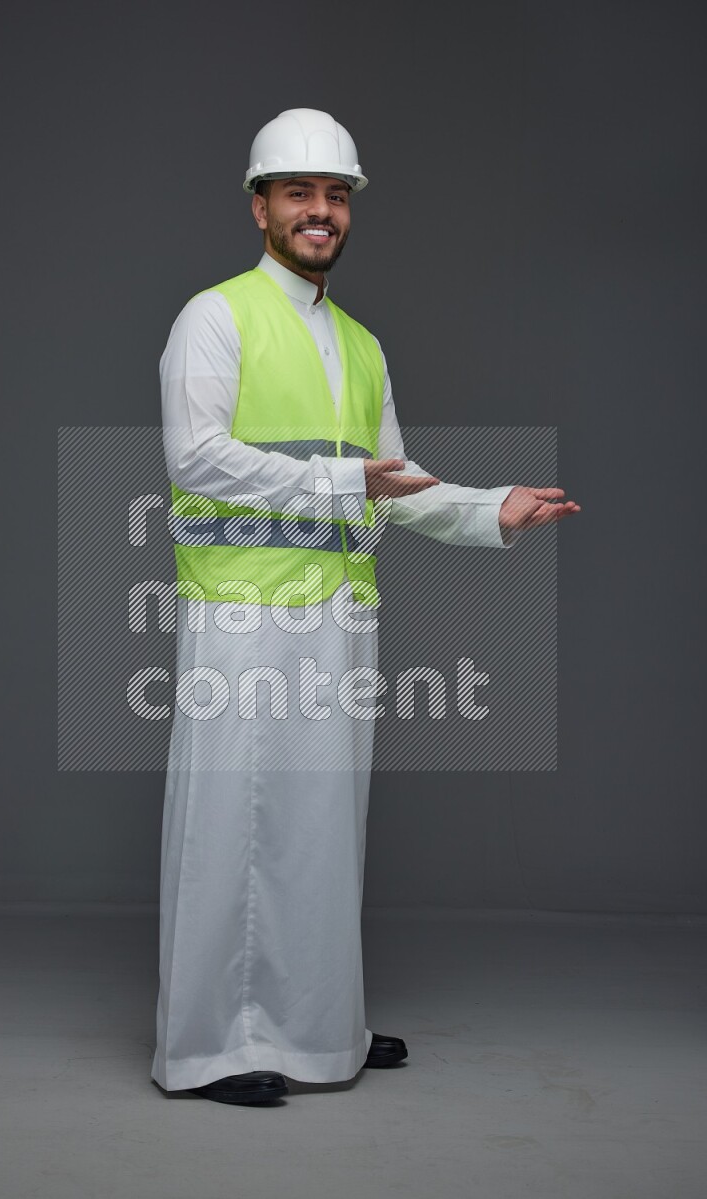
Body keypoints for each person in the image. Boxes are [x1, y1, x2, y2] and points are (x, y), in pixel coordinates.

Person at [151, 108, 580, 1106]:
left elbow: (395, 480)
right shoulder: (212, 317)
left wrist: (488, 508)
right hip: (242, 613)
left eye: (334, 195)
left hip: (337, 616)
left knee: (318, 827)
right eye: (297, 192)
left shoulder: (360, 343)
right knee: (228, 824)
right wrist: (350, 483)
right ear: (258, 204)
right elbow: (195, 456)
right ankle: (208, 1044)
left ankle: (313, 1026)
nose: (318, 211)